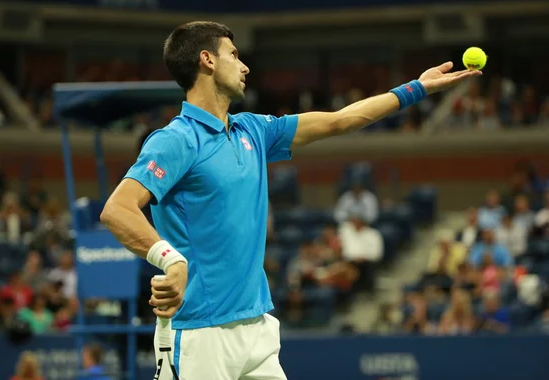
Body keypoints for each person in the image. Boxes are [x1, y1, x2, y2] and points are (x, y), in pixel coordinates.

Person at [100, 21, 481, 380]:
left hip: (257, 327)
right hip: (201, 333)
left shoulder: (253, 129)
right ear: (207, 60)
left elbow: (338, 120)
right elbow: (117, 209)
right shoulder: (176, 140)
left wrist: (416, 88)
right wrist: (169, 259)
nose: (245, 66)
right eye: (234, 55)